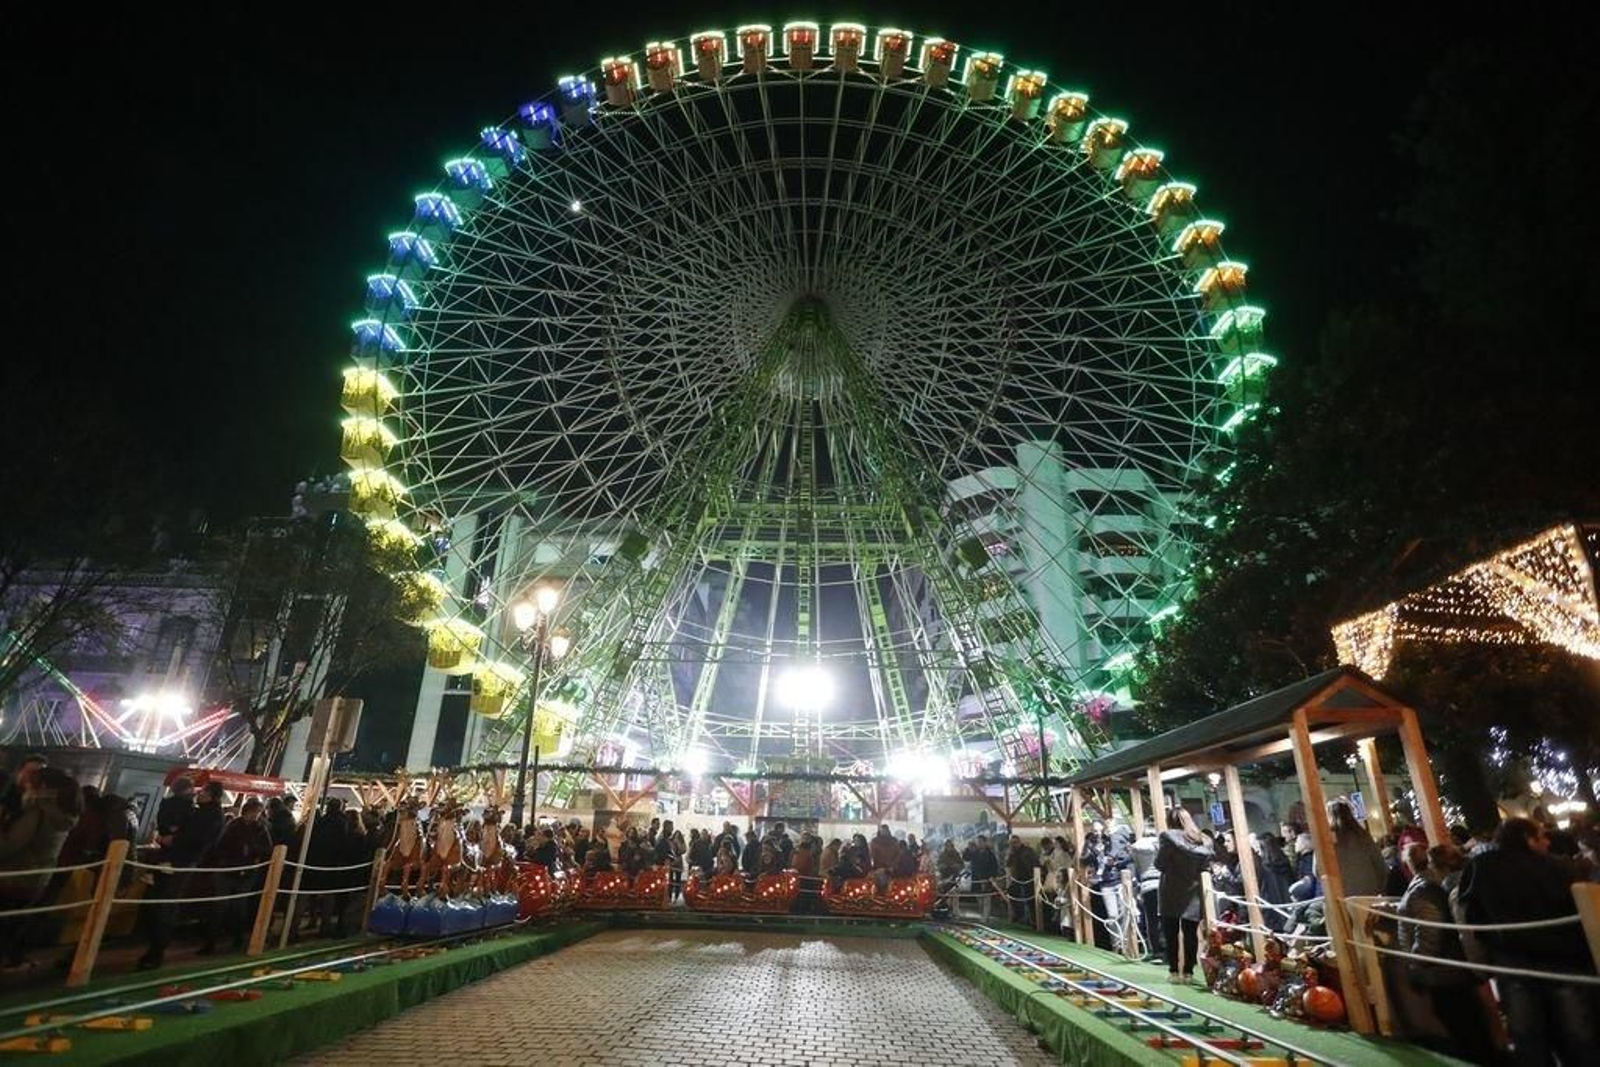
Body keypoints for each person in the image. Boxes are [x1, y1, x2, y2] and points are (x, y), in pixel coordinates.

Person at [1457, 816, 1597, 1063]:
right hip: (1561, 962)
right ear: (1527, 839)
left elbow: (1472, 916)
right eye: (1541, 837)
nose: (1546, 843)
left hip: (1513, 965)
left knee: (1529, 1038)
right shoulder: (1555, 868)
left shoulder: (1481, 868)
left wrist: (1486, 957)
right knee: (1577, 1036)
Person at [1397, 842, 1495, 1064]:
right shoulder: (1429, 886)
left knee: (1463, 1027)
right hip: (1449, 969)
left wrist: (1416, 960)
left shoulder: (1424, 890)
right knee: (1468, 1024)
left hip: (1443, 971)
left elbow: (1429, 930)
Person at [1, 766, 81, 970]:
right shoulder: (64, 813)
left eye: (30, 782)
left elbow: (10, 845)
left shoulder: (38, 812)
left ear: (43, 786)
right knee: (12, 923)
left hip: (13, 875)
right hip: (36, 879)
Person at [140, 780, 226, 969]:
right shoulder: (201, 811)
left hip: (180, 861)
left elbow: (196, 838)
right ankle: (155, 946)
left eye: (203, 790)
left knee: (166, 902)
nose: (198, 793)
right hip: (178, 860)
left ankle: (157, 949)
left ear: (210, 794)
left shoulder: (208, 814)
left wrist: (174, 838)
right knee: (163, 901)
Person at [203, 797, 273, 953]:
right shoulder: (234, 826)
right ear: (247, 811)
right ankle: (212, 941)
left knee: (239, 907)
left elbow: (268, 850)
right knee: (221, 906)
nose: (256, 815)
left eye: (258, 812)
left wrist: (253, 850)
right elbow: (220, 846)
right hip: (231, 868)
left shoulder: (260, 828)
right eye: (255, 812)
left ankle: (236, 938)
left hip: (245, 871)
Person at [1155, 807, 1212, 984]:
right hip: (1193, 890)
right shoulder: (1203, 839)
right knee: (1190, 932)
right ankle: (1188, 972)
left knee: (1170, 932)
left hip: (1171, 888)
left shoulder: (1167, 837)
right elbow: (1206, 866)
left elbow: (1160, 863)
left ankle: (1173, 971)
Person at [1317, 800, 1386, 897]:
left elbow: (1317, 869)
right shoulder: (1362, 835)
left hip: (1341, 894)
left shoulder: (1327, 839)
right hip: (1369, 891)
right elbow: (1379, 864)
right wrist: (1380, 887)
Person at [1130, 822, 1164, 960]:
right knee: (1165, 917)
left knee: (1151, 919)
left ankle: (1155, 949)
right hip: (1162, 883)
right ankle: (1166, 947)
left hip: (1147, 885)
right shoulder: (1161, 845)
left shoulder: (1137, 847)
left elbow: (1136, 867)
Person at [1005, 835, 1038, 924]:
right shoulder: (1011, 852)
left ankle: (1032, 920)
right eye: (1011, 843)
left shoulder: (1028, 851)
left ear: (1019, 842)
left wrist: (1034, 874)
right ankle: (1018, 917)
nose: (1013, 845)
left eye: (1015, 843)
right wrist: (1010, 855)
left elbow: (1034, 863)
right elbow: (1007, 864)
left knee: (1030, 900)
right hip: (1016, 878)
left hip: (1028, 877)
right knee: (1014, 896)